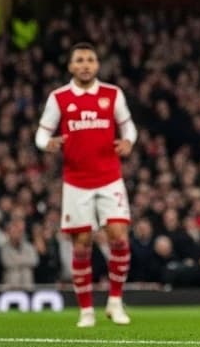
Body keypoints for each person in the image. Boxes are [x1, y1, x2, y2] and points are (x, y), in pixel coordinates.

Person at [36, 42, 138, 327]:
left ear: (97, 65)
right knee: (81, 245)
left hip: (110, 178)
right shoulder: (59, 98)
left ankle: (115, 302)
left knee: (119, 237)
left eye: (90, 60)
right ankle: (86, 311)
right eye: (79, 60)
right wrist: (49, 144)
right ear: (71, 66)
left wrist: (128, 141)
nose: (85, 65)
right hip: (76, 182)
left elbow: (129, 126)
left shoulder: (112, 94)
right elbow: (41, 134)